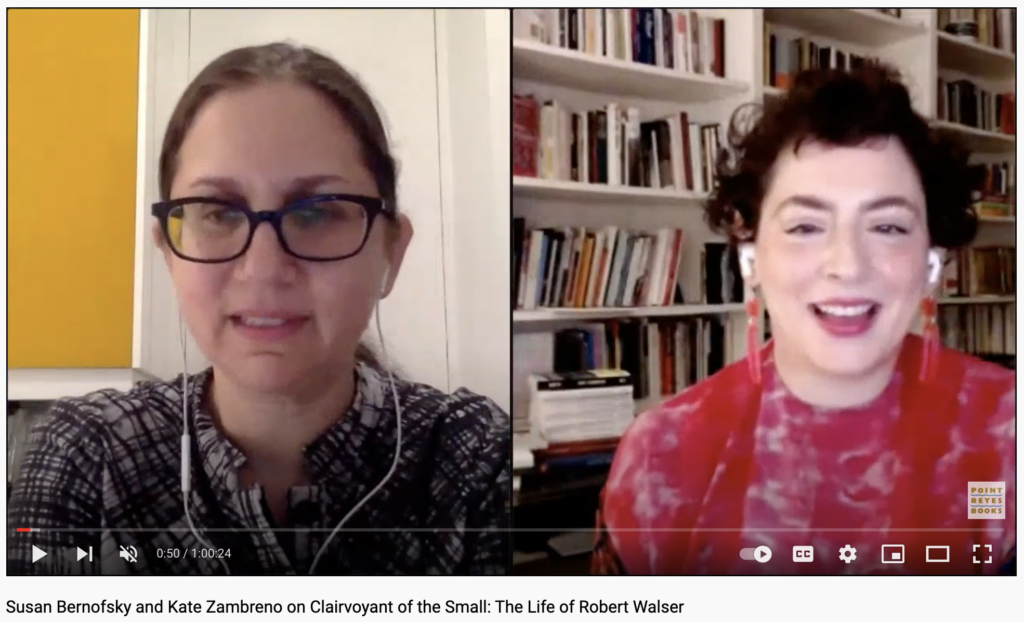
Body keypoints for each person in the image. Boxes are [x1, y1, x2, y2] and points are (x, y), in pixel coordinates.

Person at [8, 42, 510, 576]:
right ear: (169, 253)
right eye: (218, 213)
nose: (263, 268)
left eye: (317, 213)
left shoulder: (474, 456)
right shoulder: (87, 451)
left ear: (392, 250)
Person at [592, 63, 1015, 576]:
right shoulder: (664, 455)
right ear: (750, 253)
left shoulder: (1002, 436)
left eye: (887, 227)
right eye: (805, 227)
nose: (847, 266)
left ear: (932, 259)